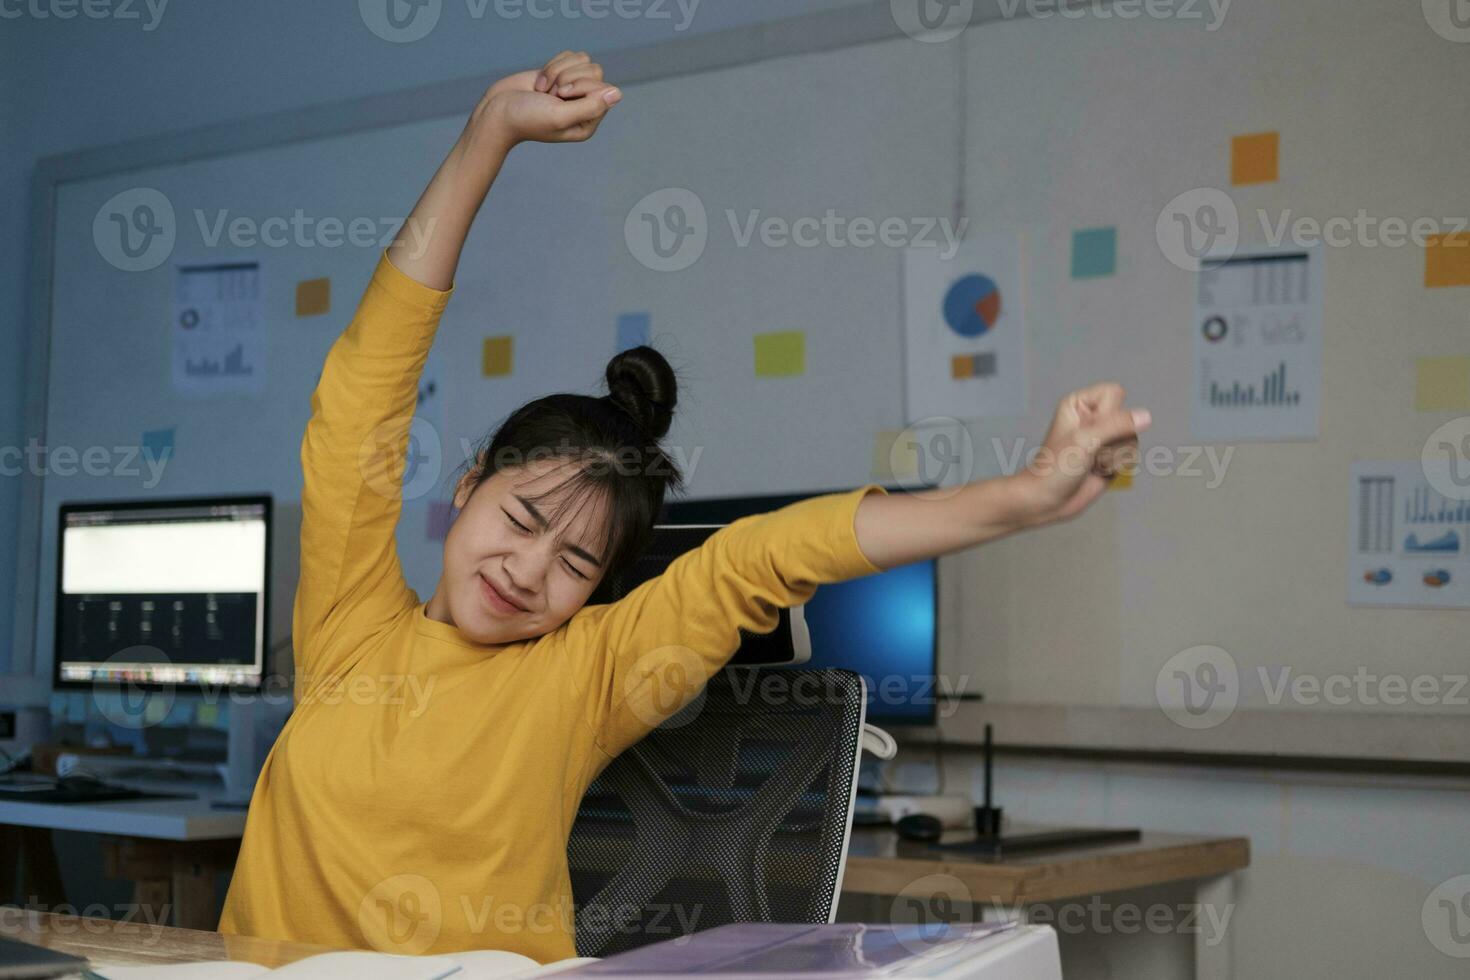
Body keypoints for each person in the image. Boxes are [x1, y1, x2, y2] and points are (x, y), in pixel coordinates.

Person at [217, 51, 1150, 963]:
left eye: (577, 566)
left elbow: (767, 557)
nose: (530, 572)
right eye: (522, 520)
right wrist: (487, 139)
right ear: (467, 488)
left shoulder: (582, 679)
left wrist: (1022, 496)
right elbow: (362, 393)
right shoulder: (348, 623)